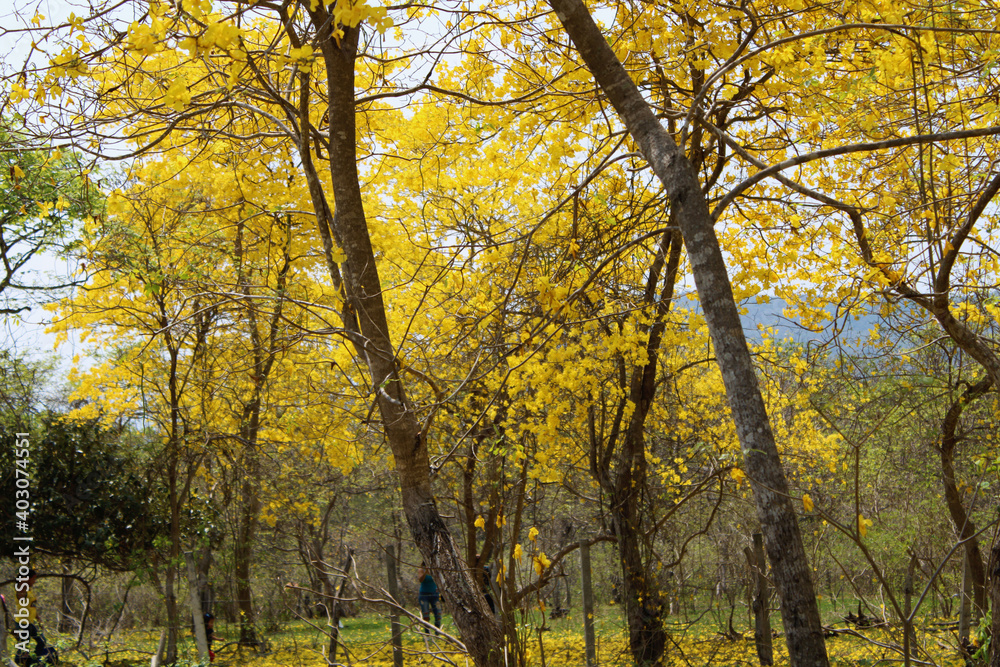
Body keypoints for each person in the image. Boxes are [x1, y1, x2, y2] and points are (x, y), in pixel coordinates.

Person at [13, 569, 58, 667]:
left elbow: (31, 605)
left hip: (30, 623)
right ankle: (16, 663)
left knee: (42, 641)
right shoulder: (21, 590)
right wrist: (27, 577)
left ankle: (35, 662)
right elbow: (21, 582)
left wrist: (38, 618)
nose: (34, 581)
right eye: (33, 579)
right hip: (22, 623)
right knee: (24, 646)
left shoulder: (29, 590)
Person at [416, 561, 441, 633]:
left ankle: (437, 633)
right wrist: (426, 571)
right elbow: (421, 580)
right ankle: (427, 633)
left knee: (438, 614)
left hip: (435, 594)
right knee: (426, 615)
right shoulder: (421, 569)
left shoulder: (435, 569)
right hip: (424, 595)